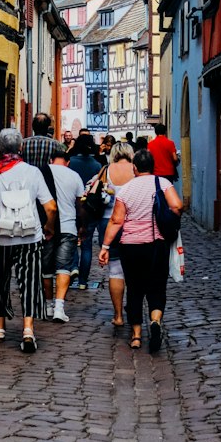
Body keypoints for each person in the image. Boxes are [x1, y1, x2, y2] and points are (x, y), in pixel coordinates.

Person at [0, 128, 56, 353]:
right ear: (20, 147)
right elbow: (50, 206)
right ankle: (28, 330)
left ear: (0, 148)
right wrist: (48, 228)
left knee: (0, 278)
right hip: (30, 236)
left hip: (1, 237)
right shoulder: (33, 173)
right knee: (30, 280)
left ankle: (0, 326)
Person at [99, 148, 182, 353]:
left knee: (135, 289)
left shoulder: (126, 190)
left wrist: (105, 246)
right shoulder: (163, 183)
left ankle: (136, 335)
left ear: (134, 168)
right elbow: (177, 206)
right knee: (156, 287)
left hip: (131, 246)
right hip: (157, 244)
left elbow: (117, 220)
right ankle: (155, 321)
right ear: (152, 166)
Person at [43, 142, 86, 322]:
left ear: (51, 160)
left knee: (45, 269)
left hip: (46, 227)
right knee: (64, 267)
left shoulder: (42, 172)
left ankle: (47, 305)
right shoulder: (74, 176)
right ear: (67, 162)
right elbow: (80, 205)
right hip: (68, 226)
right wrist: (82, 225)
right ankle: (60, 307)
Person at [101, 141, 137, 330]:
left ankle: (117, 315)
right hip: (134, 224)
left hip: (110, 223)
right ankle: (133, 310)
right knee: (133, 270)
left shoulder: (106, 170)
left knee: (115, 271)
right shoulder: (136, 170)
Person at [69, 131, 104, 289]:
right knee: (87, 244)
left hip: (72, 206)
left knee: (71, 241)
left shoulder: (70, 162)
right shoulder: (96, 165)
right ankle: (83, 281)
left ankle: (74, 267)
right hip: (89, 208)